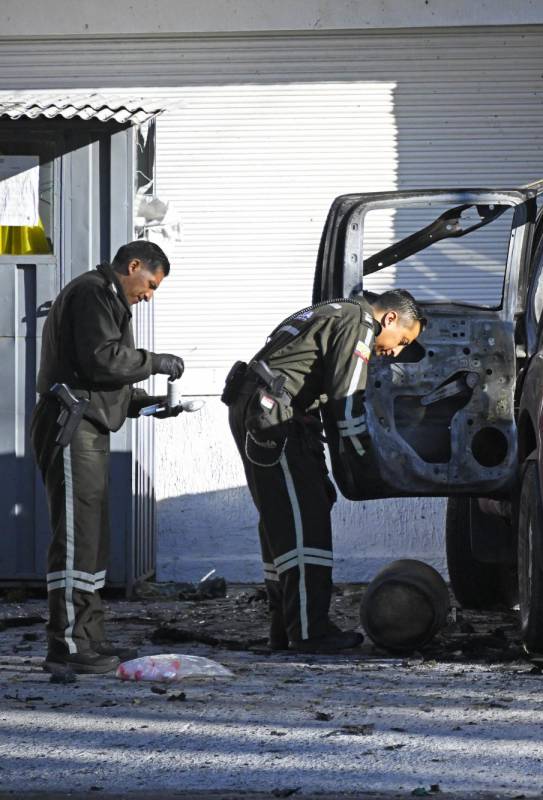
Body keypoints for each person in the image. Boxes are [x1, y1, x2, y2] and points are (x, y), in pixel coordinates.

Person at [224, 290, 425, 653]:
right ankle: (309, 632)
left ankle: (283, 628)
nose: (395, 351)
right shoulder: (359, 322)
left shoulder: (333, 311)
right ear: (390, 319)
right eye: (403, 341)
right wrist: (367, 462)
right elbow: (346, 403)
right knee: (305, 520)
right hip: (275, 416)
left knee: (282, 519)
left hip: (259, 407)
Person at [32, 240, 187, 675]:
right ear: (133, 266)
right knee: (77, 537)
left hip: (86, 423)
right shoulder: (93, 293)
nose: (149, 294)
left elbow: (102, 378)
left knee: (91, 538)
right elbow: (103, 361)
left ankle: (88, 637)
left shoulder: (104, 297)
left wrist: (151, 402)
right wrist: (155, 361)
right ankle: (67, 645)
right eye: (150, 284)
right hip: (70, 424)